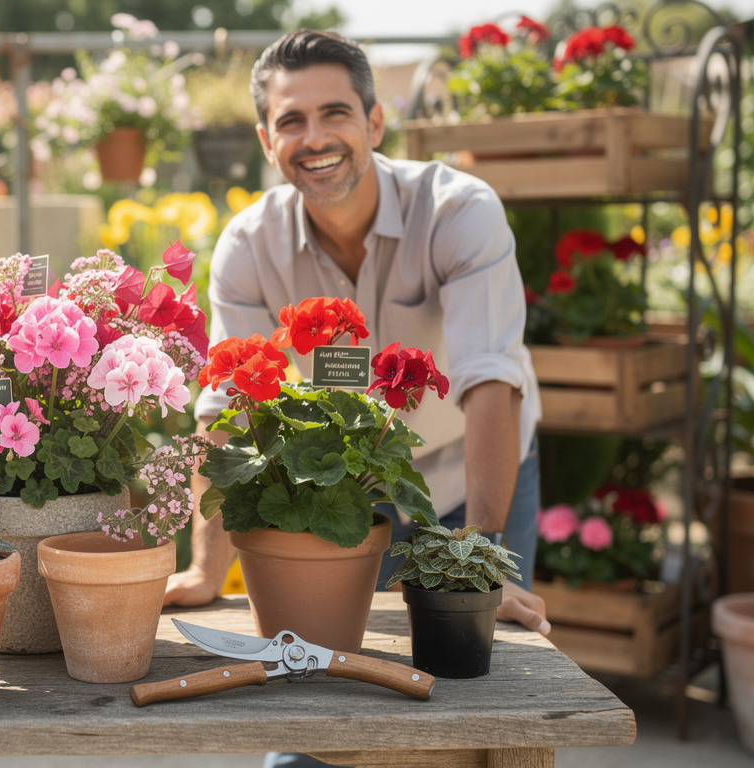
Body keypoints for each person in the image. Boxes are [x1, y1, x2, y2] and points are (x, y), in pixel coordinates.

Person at [163, 28, 551, 639]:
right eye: (292, 121)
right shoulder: (248, 244)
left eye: (335, 113)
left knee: (467, 663)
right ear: (267, 142)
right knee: (330, 669)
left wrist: (479, 561)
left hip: (465, 472)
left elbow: (491, 379)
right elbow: (223, 406)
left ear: (374, 123)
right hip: (345, 487)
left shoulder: (457, 212)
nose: (314, 138)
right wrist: (206, 571)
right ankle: (295, 744)